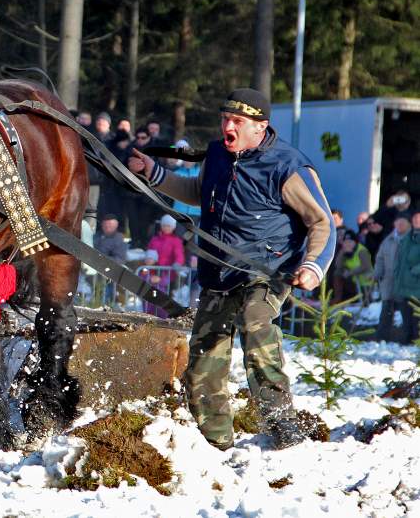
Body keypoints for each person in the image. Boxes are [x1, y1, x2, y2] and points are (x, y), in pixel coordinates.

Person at [128, 88, 335, 450]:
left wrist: (313, 267)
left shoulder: (288, 166)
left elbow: (322, 223)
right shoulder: (217, 155)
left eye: (238, 121)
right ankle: (216, 443)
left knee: (257, 329)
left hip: (266, 270)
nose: (229, 127)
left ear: (261, 127)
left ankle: (282, 425)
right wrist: (154, 173)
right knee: (204, 361)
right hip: (217, 271)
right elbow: (198, 190)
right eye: (225, 119)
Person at [374, 214, 410, 342]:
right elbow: (380, 258)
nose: (400, 224)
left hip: (406, 282)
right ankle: (381, 338)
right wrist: (377, 272)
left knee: (407, 312)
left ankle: (409, 339)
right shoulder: (388, 240)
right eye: (398, 222)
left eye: (403, 222)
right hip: (388, 281)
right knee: (386, 311)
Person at [390, 211, 420, 345]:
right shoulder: (406, 237)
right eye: (415, 218)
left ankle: (415, 343)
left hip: (416, 285)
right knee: (406, 316)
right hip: (402, 285)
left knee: (416, 317)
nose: (417, 220)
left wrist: (416, 270)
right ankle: (407, 341)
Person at [331, 230, 373, 304]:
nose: (348, 244)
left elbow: (366, 266)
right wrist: (342, 252)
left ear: (355, 242)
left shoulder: (361, 251)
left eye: (350, 242)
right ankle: (337, 299)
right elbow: (338, 265)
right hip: (354, 281)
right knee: (337, 273)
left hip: (366, 282)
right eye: (346, 242)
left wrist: (350, 272)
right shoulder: (345, 252)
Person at [147, 214, 185, 291]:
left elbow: (179, 255)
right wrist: (148, 259)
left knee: (164, 293)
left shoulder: (176, 241)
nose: (166, 228)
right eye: (164, 225)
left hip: (168, 272)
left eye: (169, 226)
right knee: (152, 292)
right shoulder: (155, 239)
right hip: (154, 270)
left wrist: (178, 263)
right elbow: (149, 251)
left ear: (173, 227)